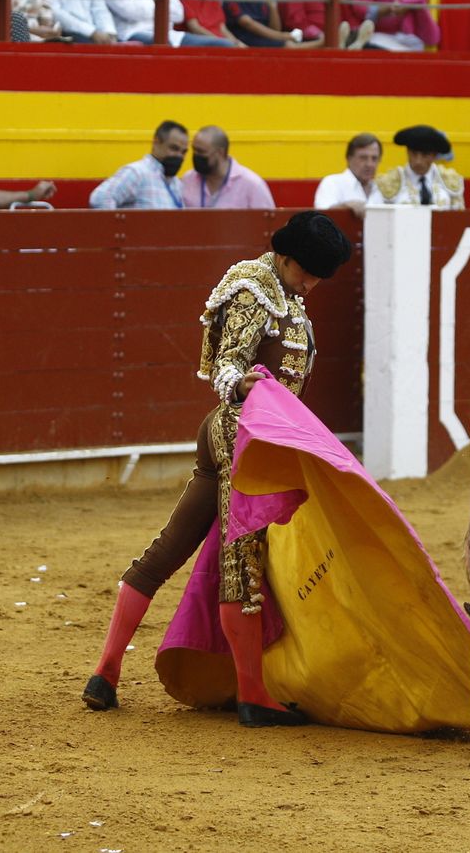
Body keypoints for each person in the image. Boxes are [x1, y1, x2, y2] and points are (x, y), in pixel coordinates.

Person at [82, 211, 353, 727]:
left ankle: (105, 673)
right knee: (241, 558)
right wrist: (250, 386)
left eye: (321, 275)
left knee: (171, 546)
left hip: (254, 436)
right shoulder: (254, 289)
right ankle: (252, 694)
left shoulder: (288, 296)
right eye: (308, 271)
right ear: (286, 256)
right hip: (240, 432)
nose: (312, 283)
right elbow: (229, 365)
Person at [87, 121, 191, 209]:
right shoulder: (137, 172)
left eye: (183, 152)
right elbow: (100, 198)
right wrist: (120, 228)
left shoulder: (176, 183)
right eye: (174, 148)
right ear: (156, 142)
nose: (179, 156)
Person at [180, 125, 276, 208]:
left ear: (220, 152)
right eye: (194, 150)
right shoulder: (188, 180)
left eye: (201, 152)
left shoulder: (252, 185)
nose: (195, 156)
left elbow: (269, 224)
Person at [373, 124, 463, 208]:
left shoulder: (450, 180)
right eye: (414, 153)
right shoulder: (388, 182)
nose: (418, 161)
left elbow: (458, 218)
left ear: (435, 156)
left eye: (425, 154)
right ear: (407, 152)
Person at [313, 132, 381, 213]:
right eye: (363, 158)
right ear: (349, 159)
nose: (369, 164)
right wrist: (346, 206)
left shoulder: (383, 188)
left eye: (374, 158)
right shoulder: (332, 182)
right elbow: (322, 216)